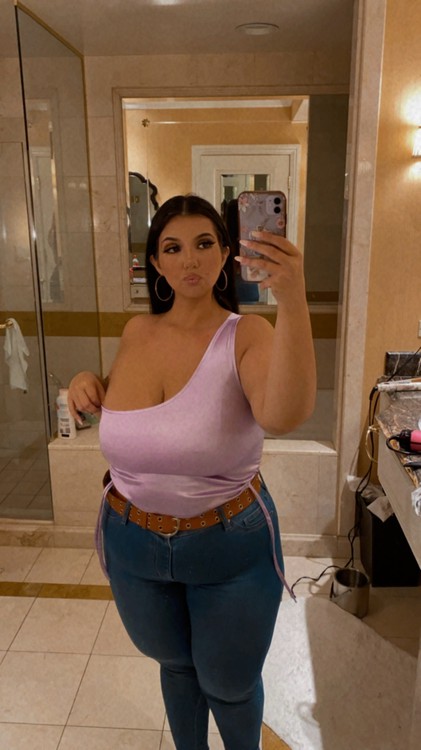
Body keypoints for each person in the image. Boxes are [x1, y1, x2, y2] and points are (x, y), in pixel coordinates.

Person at [68, 194, 316, 750]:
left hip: (228, 546)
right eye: (173, 248)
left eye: (204, 244)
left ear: (227, 253)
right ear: (156, 263)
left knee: (228, 686)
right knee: (177, 668)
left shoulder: (246, 334)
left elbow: (283, 415)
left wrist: (293, 296)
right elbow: (132, 413)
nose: (190, 260)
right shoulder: (136, 332)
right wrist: (88, 382)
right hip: (132, 544)